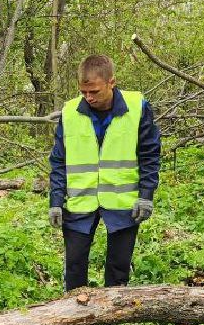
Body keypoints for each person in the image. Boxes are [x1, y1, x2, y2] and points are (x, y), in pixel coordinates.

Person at [48, 54, 161, 291]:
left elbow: (150, 155)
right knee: (74, 267)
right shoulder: (70, 112)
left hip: (123, 202)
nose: (88, 97)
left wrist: (146, 196)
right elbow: (59, 160)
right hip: (80, 202)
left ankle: (112, 313)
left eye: (95, 92)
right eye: (83, 92)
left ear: (112, 82)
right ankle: (73, 310)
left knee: (118, 270)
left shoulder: (137, 107)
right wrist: (56, 201)